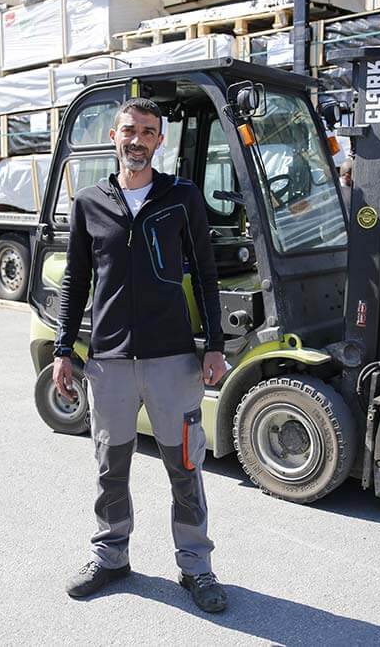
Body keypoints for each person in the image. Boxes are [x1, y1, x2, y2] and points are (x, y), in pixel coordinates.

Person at [52, 97, 229, 613]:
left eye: (148, 132)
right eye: (129, 130)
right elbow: (75, 281)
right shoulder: (89, 203)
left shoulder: (181, 197)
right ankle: (111, 556)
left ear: (160, 140)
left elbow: (207, 272)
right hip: (108, 363)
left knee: (185, 464)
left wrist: (214, 343)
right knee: (111, 466)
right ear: (114, 136)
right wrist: (65, 348)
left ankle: (196, 566)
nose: (137, 139)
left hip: (173, 360)